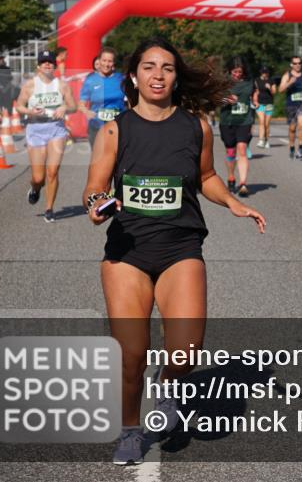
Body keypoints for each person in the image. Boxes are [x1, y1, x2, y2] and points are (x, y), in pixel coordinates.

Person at [82, 37, 265, 465]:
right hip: (127, 251)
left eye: (166, 67)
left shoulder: (196, 126)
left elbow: (206, 176)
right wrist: (97, 205)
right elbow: (94, 187)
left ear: (176, 77)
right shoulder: (115, 130)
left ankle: (167, 387)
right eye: (149, 67)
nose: (158, 75)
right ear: (134, 76)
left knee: (186, 351)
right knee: (132, 355)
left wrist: (232, 202)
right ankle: (130, 430)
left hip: (180, 247)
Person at [15, 50, 78, 222]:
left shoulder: (62, 85)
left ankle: (49, 209)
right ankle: (35, 189)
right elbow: (19, 106)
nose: (47, 64)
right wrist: (30, 111)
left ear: (54, 66)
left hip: (56, 129)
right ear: (38, 66)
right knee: (38, 177)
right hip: (35, 130)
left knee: (52, 171)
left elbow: (73, 106)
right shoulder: (30, 85)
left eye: (50, 62)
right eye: (44, 62)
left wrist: (64, 108)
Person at [218, 57, 257, 196]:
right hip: (227, 121)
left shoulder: (249, 82)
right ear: (230, 70)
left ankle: (243, 184)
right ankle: (231, 176)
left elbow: (254, 95)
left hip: (244, 120)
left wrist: (256, 102)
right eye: (235, 72)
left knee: (242, 149)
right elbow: (216, 100)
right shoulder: (223, 83)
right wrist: (227, 100)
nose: (237, 74)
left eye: (240, 72)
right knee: (230, 152)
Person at [79, 47, 126, 150]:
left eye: (110, 61)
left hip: (118, 126)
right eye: (104, 60)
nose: (106, 64)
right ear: (99, 61)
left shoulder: (121, 79)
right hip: (96, 126)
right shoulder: (90, 80)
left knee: (117, 157)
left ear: (114, 63)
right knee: (98, 157)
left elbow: (131, 100)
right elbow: (81, 104)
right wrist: (86, 112)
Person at [279, 56, 302, 159]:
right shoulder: (287, 76)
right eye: (295, 63)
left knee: (301, 125)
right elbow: (280, 90)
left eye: (299, 63)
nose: (297, 65)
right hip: (291, 105)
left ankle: (300, 148)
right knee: (292, 128)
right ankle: (292, 146)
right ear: (291, 64)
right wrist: (289, 82)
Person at [254, 66, 276, 149]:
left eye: (266, 72)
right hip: (260, 104)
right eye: (263, 72)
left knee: (267, 124)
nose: (264, 74)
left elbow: (274, 92)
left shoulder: (271, 80)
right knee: (261, 121)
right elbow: (256, 92)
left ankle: (266, 140)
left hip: (269, 104)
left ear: (268, 73)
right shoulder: (257, 80)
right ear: (261, 72)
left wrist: (269, 88)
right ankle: (261, 140)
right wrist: (255, 101)